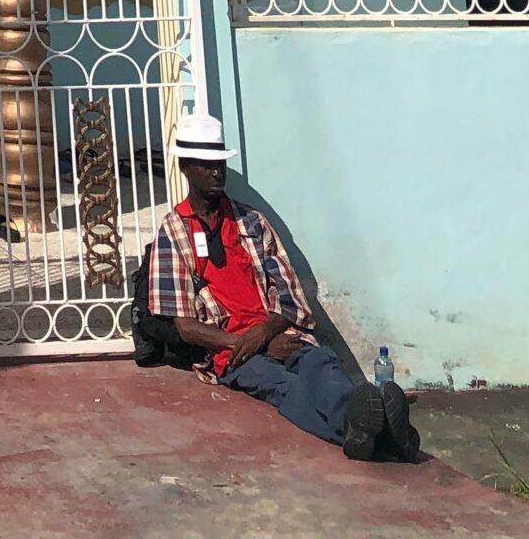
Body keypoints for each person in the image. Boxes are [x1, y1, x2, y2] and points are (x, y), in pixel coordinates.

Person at [143, 110, 419, 464]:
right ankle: (376, 436)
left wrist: (266, 333)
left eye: (220, 164)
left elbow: (291, 295)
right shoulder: (173, 231)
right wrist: (249, 343)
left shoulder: (251, 222)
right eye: (206, 164)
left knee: (322, 364)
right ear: (186, 167)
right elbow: (184, 326)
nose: (216, 173)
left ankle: (364, 426)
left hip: (278, 334)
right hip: (233, 354)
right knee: (282, 386)